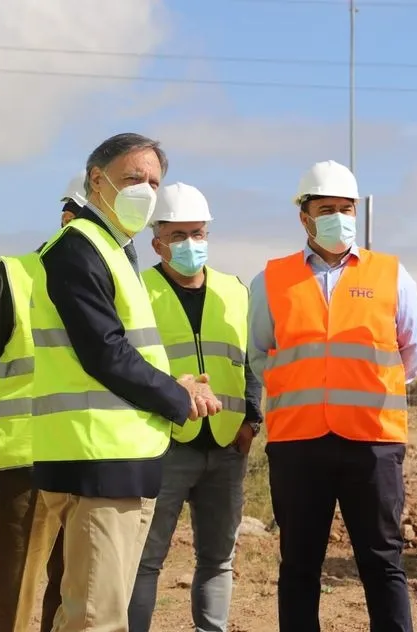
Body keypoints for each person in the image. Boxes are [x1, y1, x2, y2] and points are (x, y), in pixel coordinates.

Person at [29, 133, 222, 632]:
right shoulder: (78, 248)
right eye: (133, 178)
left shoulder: (115, 250)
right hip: (95, 460)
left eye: (154, 182)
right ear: (97, 180)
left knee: (97, 613)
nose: (146, 191)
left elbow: (123, 349)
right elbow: (105, 352)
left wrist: (174, 383)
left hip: (122, 459)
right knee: (96, 619)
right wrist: (176, 394)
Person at [248, 160, 417, 632]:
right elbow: (260, 354)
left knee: (382, 561)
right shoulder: (270, 279)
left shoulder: (393, 275)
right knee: (299, 563)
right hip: (298, 443)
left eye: (346, 208)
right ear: (304, 217)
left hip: (373, 442)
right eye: (326, 209)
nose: (338, 217)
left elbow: (412, 354)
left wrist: (367, 390)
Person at [129, 182, 264, 632]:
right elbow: (127, 364)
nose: (191, 243)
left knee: (219, 559)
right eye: (179, 235)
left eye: (198, 233)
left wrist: (251, 420)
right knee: (146, 560)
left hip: (226, 446)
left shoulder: (235, 290)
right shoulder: (137, 291)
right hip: (164, 445)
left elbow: (250, 361)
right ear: (157, 243)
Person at [0, 172, 85, 632]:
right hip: (25, 464)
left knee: (75, 593)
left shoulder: (115, 284)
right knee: (11, 592)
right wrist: (5, 428)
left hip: (90, 459)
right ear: (68, 218)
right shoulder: (15, 275)